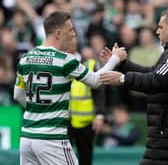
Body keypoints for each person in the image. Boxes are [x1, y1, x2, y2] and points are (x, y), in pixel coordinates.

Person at [13, 11, 127, 165]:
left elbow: (18, 95)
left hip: (27, 138)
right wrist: (115, 58)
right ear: (59, 33)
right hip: (52, 139)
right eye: (71, 30)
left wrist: (39, 110)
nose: (74, 34)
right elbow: (95, 81)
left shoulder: (25, 59)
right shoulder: (65, 60)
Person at [100, 9, 168, 165]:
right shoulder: (166, 53)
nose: (157, 32)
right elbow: (151, 72)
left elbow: (156, 80)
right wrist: (122, 64)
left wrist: (124, 79)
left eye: (161, 27)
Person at [68, 46, 106, 165]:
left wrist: (99, 114)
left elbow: (99, 91)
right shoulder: (59, 62)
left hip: (86, 121)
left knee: (85, 157)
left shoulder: (89, 63)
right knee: (62, 158)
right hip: (65, 120)